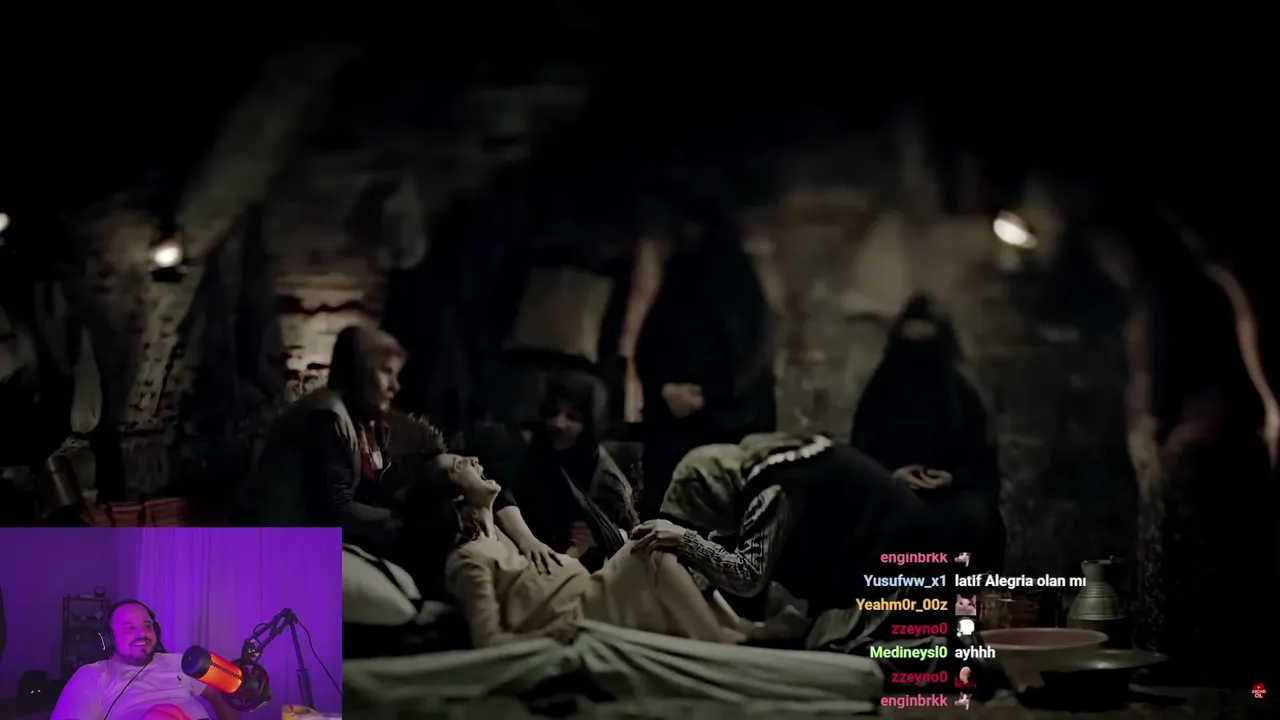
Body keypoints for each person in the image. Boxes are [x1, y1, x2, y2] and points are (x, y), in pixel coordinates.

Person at [1089, 218, 1274, 684]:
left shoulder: (1162, 295)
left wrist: (1148, 432)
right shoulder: (1201, 287)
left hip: (1194, 437)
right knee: (1217, 551)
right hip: (1223, 431)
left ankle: (1172, 656)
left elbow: (1160, 370)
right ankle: (1221, 658)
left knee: (1173, 544)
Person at [233, 326, 557, 574]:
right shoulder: (328, 417)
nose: (395, 386)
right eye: (386, 372)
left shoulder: (359, 421)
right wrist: (410, 524)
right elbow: (337, 510)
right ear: (360, 371)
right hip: (274, 547)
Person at [419, 446, 808, 649]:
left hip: (591, 592)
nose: (473, 460)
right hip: (580, 615)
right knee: (651, 547)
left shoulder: (502, 538)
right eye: (459, 465)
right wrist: (560, 634)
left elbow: (533, 584)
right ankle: (721, 642)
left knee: (652, 539)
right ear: (455, 498)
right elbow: (490, 642)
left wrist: (574, 554)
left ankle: (734, 629)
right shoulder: (469, 560)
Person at [634, 433, 941, 654]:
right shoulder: (781, 462)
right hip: (895, 548)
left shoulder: (772, 488)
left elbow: (747, 576)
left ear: (714, 494)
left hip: (897, 556)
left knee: (845, 656)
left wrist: (684, 540)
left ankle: (951, 655)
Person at [624, 204, 778, 519]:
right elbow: (649, 346)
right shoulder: (679, 277)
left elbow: (751, 362)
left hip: (723, 428)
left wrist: (708, 398)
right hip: (671, 425)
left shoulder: (739, 287)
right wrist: (665, 389)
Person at [849, 293, 1006, 572]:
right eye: (909, 345)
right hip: (891, 495)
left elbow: (983, 469)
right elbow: (861, 456)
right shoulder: (882, 388)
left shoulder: (963, 394)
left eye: (926, 345)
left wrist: (951, 479)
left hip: (951, 501)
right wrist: (891, 477)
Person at [513, 374, 639, 570]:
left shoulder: (605, 481)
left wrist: (605, 536)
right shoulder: (531, 453)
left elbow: (632, 537)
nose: (558, 424)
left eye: (572, 417)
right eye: (553, 414)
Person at [50, 600, 238, 720]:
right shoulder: (92, 675)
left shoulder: (179, 662)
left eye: (147, 626)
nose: (142, 634)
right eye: (129, 628)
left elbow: (218, 695)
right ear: (109, 638)